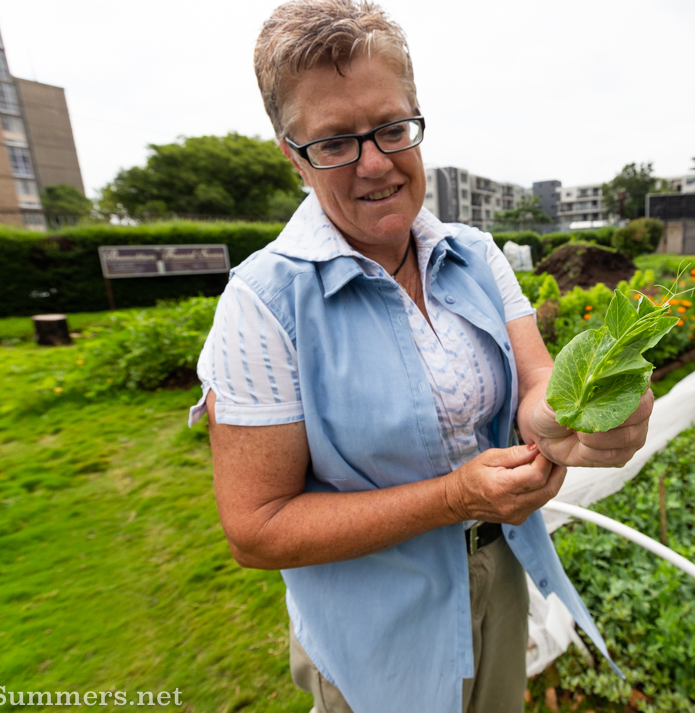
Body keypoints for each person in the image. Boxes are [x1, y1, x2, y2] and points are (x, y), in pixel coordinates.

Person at [188, 1, 653, 711]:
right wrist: (453, 496)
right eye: (335, 141)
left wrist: (577, 417)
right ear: (292, 156)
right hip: (373, 628)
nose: (375, 161)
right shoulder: (262, 304)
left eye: (392, 127)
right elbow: (257, 528)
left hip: (496, 573)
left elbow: (535, 385)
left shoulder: (472, 253)